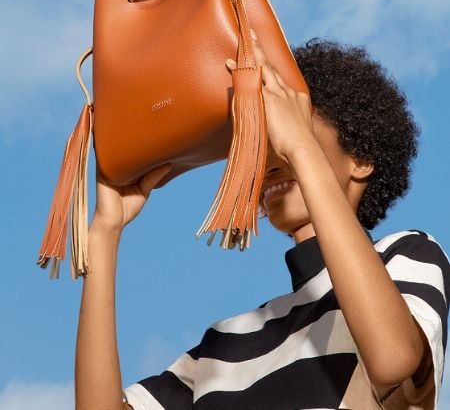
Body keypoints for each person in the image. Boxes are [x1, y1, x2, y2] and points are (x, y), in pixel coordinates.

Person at [75, 32, 450, 410]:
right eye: (258, 145)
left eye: (285, 132)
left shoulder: (406, 255)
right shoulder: (223, 343)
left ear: (361, 158)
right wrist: (105, 232)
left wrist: (299, 146)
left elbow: (393, 360)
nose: (270, 159)